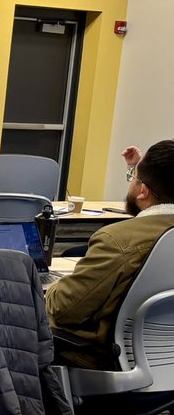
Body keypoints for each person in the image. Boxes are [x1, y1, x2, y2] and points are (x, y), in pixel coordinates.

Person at [47, 139, 174, 370]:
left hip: (110, 362)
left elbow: (64, 310)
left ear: (143, 190)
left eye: (133, 177)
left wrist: (52, 286)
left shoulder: (117, 240)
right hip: (165, 364)